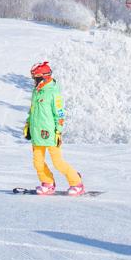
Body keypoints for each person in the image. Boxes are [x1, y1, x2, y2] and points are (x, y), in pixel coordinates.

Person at [24, 61, 85, 195]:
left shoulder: (53, 92)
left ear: (43, 77)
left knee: (58, 162)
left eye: (36, 78)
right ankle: (48, 183)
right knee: (38, 163)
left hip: (50, 133)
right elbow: (32, 110)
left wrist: (58, 131)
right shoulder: (36, 91)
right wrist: (28, 125)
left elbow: (60, 114)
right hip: (36, 132)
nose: (34, 81)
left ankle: (76, 183)